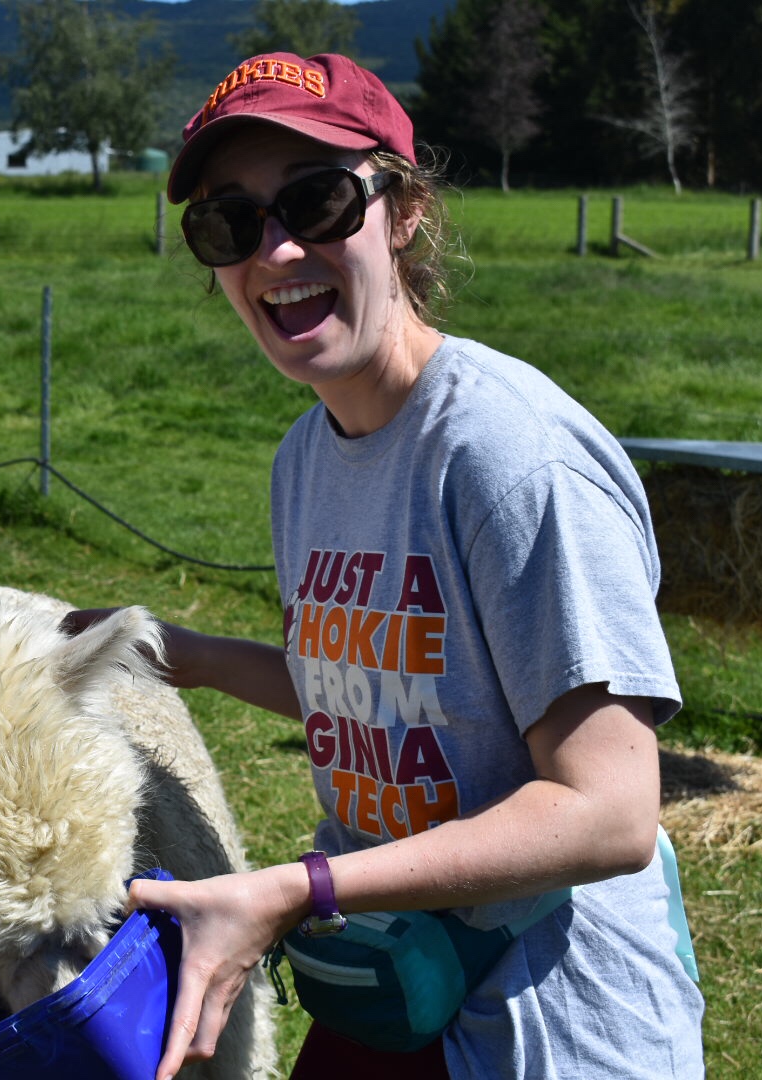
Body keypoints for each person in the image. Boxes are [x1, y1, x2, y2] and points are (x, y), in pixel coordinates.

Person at [66, 53, 705, 1080]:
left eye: (316, 201)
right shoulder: (306, 459)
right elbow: (390, 695)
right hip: (394, 983)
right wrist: (181, 653)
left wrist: (298, 888)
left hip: (550, 1025)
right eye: (229, 223)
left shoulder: (508, 455)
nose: (277, 249)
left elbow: (611, 810)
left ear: (403, 213)